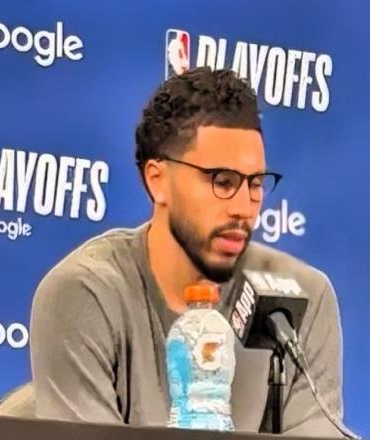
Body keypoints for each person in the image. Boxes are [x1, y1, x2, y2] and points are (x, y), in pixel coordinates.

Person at [29, 67, 344, 436]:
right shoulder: (83, 295)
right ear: (157, 180)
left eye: (256, 184)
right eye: (222, 182)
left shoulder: (303, 298)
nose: (244, 207)